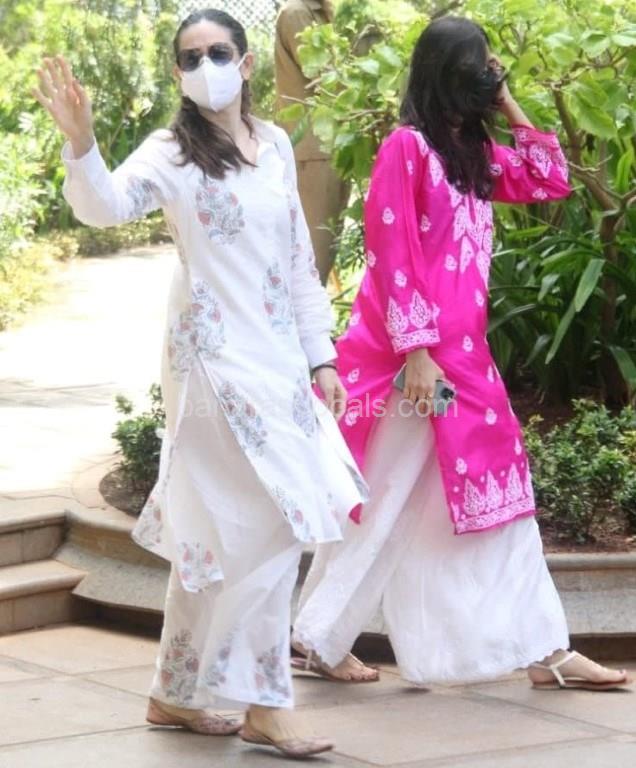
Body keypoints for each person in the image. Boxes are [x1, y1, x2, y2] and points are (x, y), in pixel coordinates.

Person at [33, 7, 370, 759]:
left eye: (219, 52)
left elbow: (296, 261)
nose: (205, 67)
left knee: (214, 534)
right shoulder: (170, 152)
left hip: (277, 362)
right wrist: (82, 144)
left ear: (246, 64)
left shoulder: (274, 144)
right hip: (213, 364)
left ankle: (175, 692)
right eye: (190, 58)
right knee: (273, 522)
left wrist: (321, 357)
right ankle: (264, 704)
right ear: (177, 73)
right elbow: (104, 207)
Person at [291, 16, 632, 692]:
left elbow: (550, 178)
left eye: (492, 67)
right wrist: (418, 352)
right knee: (385, 496)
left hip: (464, 360)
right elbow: (393, 252)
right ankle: (317, 639)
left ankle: (544, 649)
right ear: (446, 72)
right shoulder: (408, 148)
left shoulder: (472, 156)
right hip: (411, 366)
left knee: (494, 495)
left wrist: (508, 103)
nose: (489, 74)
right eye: (479, 66)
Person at [275, 0, 348, 285]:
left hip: (330, 149)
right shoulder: (297, 13)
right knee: (313, 261)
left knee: (324, 253)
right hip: (314, 153)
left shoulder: (321, 12)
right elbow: (326, 79)